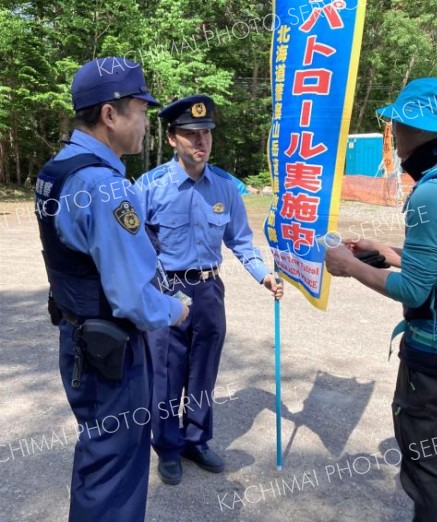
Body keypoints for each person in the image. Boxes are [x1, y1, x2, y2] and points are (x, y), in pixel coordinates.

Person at [325, 78, 437, 522]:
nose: (393, 132)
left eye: (397, 123)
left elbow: (415, 290)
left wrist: (350, 266)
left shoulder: (433, 192)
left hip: (435, 361)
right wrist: (389, 254)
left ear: (419, 128)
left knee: (428, 473)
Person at [34, 57, 189, 521]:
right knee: (116, 472)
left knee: (99, 459)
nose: (146, 124)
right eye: (141, 111)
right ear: (109, 115)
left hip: (82, 339)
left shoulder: (57, 169)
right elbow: (132, 296)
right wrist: (176, 310)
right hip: (112, 354)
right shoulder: (104, 186)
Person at [138, 94, 284, 485]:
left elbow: (241, 240)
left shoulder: (225, 188)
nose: (200, 143)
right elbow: (133, 243)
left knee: (203, 373)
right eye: (190, 135)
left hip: (208, 291)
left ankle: (196, 441)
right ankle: (167, 448)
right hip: (166, 292)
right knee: (166, 375)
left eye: (206, 134)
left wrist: (263, 275)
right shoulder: (149, 187)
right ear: (172, 139)